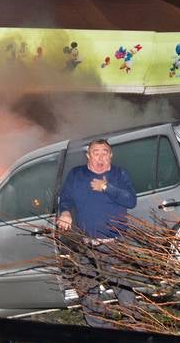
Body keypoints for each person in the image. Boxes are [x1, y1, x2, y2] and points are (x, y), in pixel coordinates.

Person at [55, 139, 137, 326]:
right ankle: (100, 331)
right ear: (88, 156)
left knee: (123, 288)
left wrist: (107, 188)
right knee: (87, 290)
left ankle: (136, 328)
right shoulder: (76, 175)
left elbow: (131, 200)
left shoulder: (119, 174)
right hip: (85, 244)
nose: (100, 157)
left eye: (104, 152)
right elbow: (65, 198)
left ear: (110, 155)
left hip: (113, 244)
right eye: (95, 152)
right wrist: (65, 212)